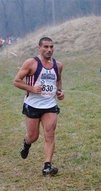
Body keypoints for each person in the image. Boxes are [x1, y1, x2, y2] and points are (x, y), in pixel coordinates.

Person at [13, 37, 65, 176]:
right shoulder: (31, 63)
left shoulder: (57, 65)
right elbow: (16, 81)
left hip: (50, 105)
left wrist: (59, 91)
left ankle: (47, 166)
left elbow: (58, 80)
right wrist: (32, 88)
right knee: (33, 136)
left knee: (50, 134)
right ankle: (26, 143)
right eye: (46, 47)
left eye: (51, 47)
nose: (49, 50)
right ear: (39, 48)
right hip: (33, 105)